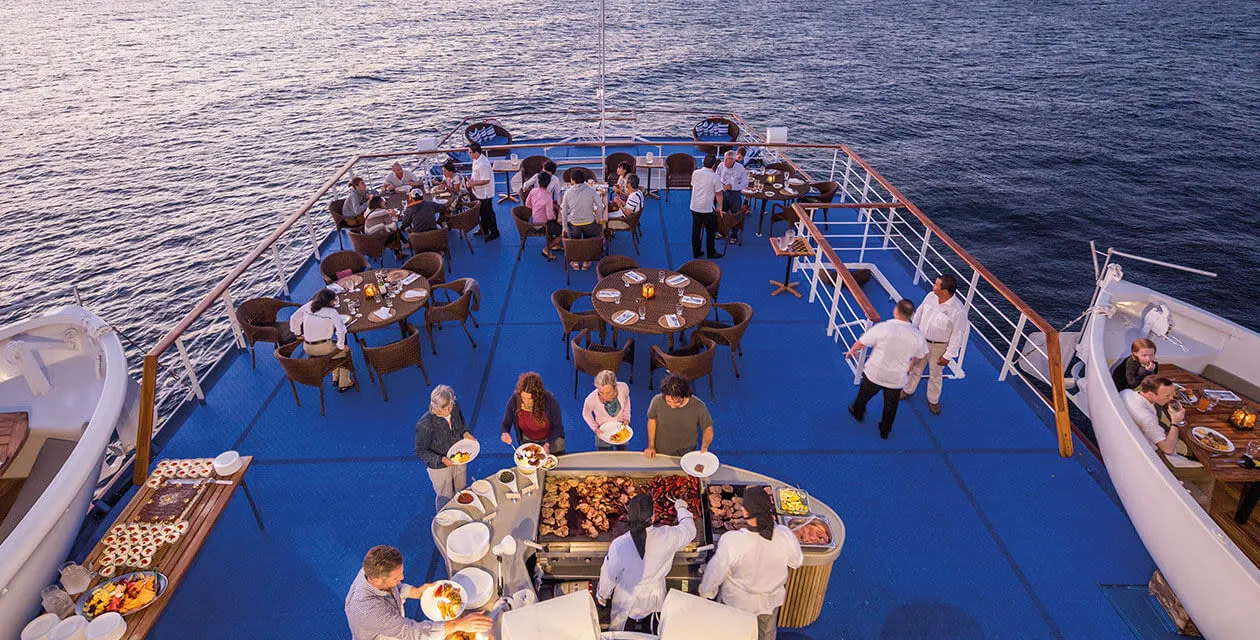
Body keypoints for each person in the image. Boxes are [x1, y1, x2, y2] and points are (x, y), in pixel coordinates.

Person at [699, 487, 804, 640]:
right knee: (766, 635)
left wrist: (706, 593)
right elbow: (796, 562)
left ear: (745, 512)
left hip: (737, 603)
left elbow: (715, 573)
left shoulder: (733, 540)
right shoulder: (784, 535)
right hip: (769, 602)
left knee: (732, 635)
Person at [346, 545, 492, 640]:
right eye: (397, 577)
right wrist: (456, 625)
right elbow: (411, 632)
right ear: (376, 580)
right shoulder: (369, 611)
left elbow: (394, 586)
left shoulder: (369, 571)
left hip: (391, 624)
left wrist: (416, 592)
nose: (402, 578)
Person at [596, 494, 697, 631]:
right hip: (655, 596)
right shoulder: (668, 536)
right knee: (653, 629)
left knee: (622, 630)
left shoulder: (619, 545)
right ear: (653, 517)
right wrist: (682, 509)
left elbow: (609, 575)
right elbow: (690, 530)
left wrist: (603, 595)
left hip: (626, 595)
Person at [845, 299, 928, 439]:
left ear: (896, 311)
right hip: (896, 378)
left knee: (863, 396)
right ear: (911, 315)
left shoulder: (883, 328)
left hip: (875, 372)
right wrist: (911, 364)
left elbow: (862, 342)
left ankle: (857, 413)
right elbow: (921, 355)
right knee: (891, 405)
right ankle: (885, 430)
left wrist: (852, 350)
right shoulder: (917, 336)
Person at [902, 275, 968, 415]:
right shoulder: (931, 296)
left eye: (936, 284)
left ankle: (933, 400)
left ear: (944, 291)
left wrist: (948, 356)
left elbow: (957, 335)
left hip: (939, 347)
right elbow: (919, 313)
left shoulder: (958, 311)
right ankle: (908, 390)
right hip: (922, 341)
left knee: (936, 374)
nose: (933, 286)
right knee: (916, 367)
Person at [414, 385, 476, 511]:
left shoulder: (453, 406)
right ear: (436, 407)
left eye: (451, 405)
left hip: (458, 456)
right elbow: (420, 451)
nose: (451, 409)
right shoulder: (425, 424)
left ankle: (464, 514)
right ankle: (446, 520)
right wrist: (441, 459)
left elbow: (461, 421)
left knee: (462, 488)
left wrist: (465, 432)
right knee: (445, 497)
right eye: (446, 408)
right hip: (440, 467)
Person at [289, 288, 354, 391]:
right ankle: (344, 383)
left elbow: (294, 318)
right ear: (330, 301)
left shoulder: (309, 305)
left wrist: (298, 333)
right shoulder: (331, 312)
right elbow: (341, 331)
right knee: (344, 351)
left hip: (308, 347)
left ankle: (335, 376)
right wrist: (341, 346)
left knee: (335, 347)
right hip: (323, 348)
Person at [644, 375, 714, 458]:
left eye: (677, 402)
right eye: (668, 401)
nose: (672, 406)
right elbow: (652, 420)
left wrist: (705, 446)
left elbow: (708, 429)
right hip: (661, 453)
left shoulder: (698, 406)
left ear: (685, 395)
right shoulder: (657, 401)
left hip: (686, 454)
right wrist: (651, 446)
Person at [500, 372, 566, 454]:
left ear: (537, 397)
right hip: (528, 440)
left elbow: (558, 428)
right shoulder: (514, 401)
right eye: (523, 397)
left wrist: (547, 444)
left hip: (551, 439)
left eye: (530, 399)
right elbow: (506, 424)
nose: (526, 402)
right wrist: (505, 432)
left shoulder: (551, 401)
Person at [1121, 376, 1186, 455]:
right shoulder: (1147, 419)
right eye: (1167, 395)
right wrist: (1175, 422)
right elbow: (1168, 449)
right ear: (1151, 394)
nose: (1171, 398)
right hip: (1143, 449)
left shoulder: (1126, 392)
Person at [559, 169, 602, 270]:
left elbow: (564, 211)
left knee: (573, 240)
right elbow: (600, 206)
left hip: (574, 224)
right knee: (592, 236)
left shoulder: (568, 193)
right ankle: (587, 260)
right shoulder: (591, 190)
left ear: (573, 180)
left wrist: (564, 227)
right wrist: (597, 218)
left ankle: (574, 261)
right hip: (590, 222)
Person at [583, 370, 632, 451]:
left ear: (615, 387)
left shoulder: (623, 388)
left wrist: (627, 418)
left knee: (622, 456)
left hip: (621, 429)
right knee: (605, 460)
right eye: (601, 392)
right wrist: (595, 428)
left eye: (608, 392)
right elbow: (586, 413)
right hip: (603, 432)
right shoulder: (591, 399)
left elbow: (626, 400)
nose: (605, 397)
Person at [690, 154, 724, 259]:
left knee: (696, 230)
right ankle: (711, 252)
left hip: (695, 206)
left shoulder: (696, 173)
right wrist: (720, 207)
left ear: (703, 162)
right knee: (710, 230)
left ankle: (696, 252)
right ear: (714, 165)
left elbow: (693, 185)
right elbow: (718, 193)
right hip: (707, 208)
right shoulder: (715, 177)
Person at [465, 142, 499, 241]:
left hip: (485, 193)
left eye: (470, 152)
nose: (469, 154)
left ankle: (494, 232)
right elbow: (475, 174)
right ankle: (484, 229)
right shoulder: (476, 160)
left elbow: (486, 180)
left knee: (488, 212)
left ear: (476, 153)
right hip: (478, 192)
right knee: (482, 212)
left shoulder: (483, 164)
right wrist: (470, 181)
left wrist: (472, 184)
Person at [714, 150, 749, 243]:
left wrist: (733, 187)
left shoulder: (740, 168)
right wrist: (722, 187)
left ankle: (734, 235)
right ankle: (722, 232)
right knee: (723, 212)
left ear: (733, 160)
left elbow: (745, 183)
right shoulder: (721, 166)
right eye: (724, 159)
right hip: (723, 192)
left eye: (727, 160)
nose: (724, 162)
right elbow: (717, 178)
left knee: (735, 214)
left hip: (735, 194)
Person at [527, 171, 563, 260]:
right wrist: (555, 215)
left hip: (534, 220)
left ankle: (553, 244)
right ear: (549, 182)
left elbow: (528, 205)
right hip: (542, 225)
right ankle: (547, 248)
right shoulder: (547, 196)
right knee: (564, 232)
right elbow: (550, 217)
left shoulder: (533, 191)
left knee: (555, 224)